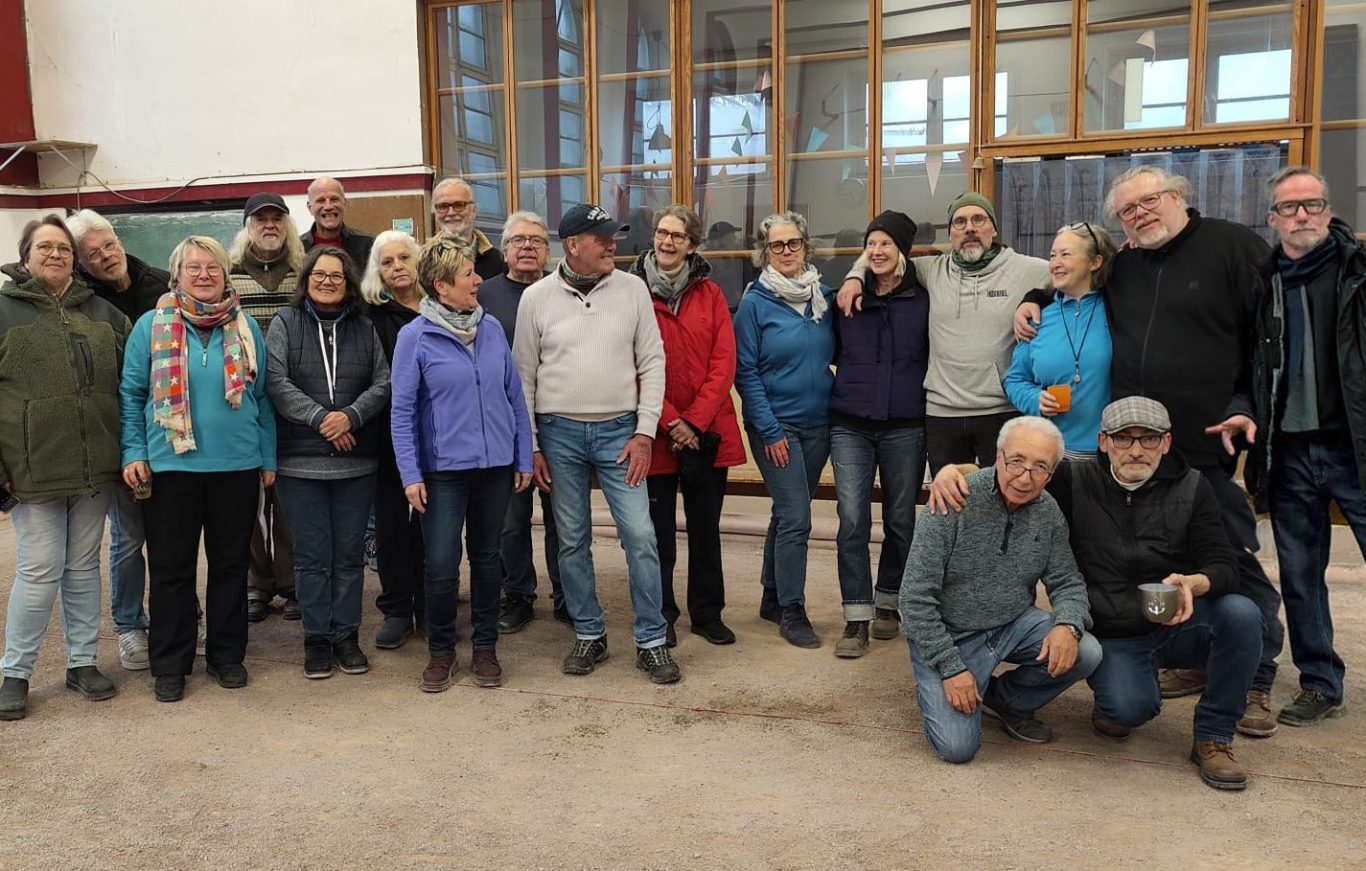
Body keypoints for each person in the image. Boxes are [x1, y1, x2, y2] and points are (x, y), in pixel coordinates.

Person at [1015, 166, 1284, 738]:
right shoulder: (1127, 268)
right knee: (1138, 558)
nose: (1139, 214)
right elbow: (1075, 283)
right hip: (1129, 443)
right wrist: (1036, 295)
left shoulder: (1233, 247)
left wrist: (1248, 403)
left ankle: (1256, 676)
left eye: (1149, 201)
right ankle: (1181, 658)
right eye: (1127, 210)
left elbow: (1267, 336)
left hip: (1204, 444)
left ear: (1179, 197)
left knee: (1231, 564)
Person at [930, 397, 1261, 790]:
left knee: (1242, 614)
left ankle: (1214, 735)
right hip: (1116, 631)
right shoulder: (1074, 480)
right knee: (1127, 709)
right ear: (1103, 441)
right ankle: (1117, 698)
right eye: (1123, 439)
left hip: (1176, 622)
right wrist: (954, 470)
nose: (1136, 450)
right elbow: (1011, 475)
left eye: (1149, 439)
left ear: (1167, 443)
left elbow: (1225, 566)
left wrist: (1194, 583)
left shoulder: (1192, 486)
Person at [1212, 166, 1366, 728]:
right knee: (1300, 576)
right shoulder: (1263, 285)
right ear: (1273, 218)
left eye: (1313, 205)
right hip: (1291, 454)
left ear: (1328, 211)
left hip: (1356, 448)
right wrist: (1242, 408)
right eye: (1290, 207)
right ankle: (1321, 682)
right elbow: (1248, 367)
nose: (1303, 215)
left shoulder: (1358, 273)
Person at [512, 203, 679, 684]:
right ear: (574, 246)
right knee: (571, 539)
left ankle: (651, 640)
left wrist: (645, 431)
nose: (612, 246)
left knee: (641, 536)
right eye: (602, 238)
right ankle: (589, 632)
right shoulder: (537, 298)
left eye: (613, 238)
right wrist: (533, 444)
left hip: (621, 433)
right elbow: (523, 376)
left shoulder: (633, 291)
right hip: (558, 433)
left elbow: (653, 362)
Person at [119, 235, 276, 703]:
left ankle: (227, 657)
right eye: (194, 267)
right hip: (170, 466)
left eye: (213, 267)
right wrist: (134, 452)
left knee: (230, 566)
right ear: (177, 275)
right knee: (171, 568)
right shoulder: (150, 326)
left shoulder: (246, 328)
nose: (204, 275)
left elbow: (262, 397)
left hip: (237, 465)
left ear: (226, 275)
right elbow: (131, 397)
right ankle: (171, 663)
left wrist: (268, 458)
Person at [901, 416, 1100, 763]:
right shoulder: (954, 498)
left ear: (1051, 474)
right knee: (957, 748)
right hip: (952, 635)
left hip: (1013, 624)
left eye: (1040, 468)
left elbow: (1067, 580)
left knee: (1087, 651)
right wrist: (951, 668)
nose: (1025, 477)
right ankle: (937, 682)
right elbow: (915, 598)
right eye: (1017, 461)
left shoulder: (1048, 513)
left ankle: (1005, 698)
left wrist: (1068, 626)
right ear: (998, 455)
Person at [0, 216, 130, 721]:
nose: (55, 255)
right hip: (30, 467)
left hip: (96, 464)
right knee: (38, 568)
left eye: (63, 249)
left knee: (82, 567)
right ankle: (16, 672)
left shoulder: (101, 313)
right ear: (25, 255)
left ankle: (82, 663)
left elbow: (130, 383)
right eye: (44, 247)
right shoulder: (4, 310)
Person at [392, 237, 532, 690]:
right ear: (441, 285)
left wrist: (522, 453)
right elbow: (402, 412)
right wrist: (410, 473)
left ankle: (486, 649)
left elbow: (514, 395)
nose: (478, 281)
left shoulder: (489, 329)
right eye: (469, 274)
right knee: (441, 563)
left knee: (489, 559)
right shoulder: (414, 337)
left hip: (494, 467)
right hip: (443, 473)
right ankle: (441, 652)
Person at [837, 193, 1049, 473]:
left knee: (1001, 501)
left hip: (1002, 410)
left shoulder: (1027, 269)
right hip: (942, 412)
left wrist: (1035, 297)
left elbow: (1068, 277)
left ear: (994, 228)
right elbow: (883, 257)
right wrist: (854, 276)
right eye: (959, 222)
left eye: (979, 219)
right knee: (948, 504)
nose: (969, 228)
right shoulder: (931, 270)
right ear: (950, 233)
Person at [267, 246, 391, 680]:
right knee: (312, 557)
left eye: (337, 276)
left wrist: (350, 417)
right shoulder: (285, 323)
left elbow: (383, 380)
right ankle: (317, 639)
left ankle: (347, 636)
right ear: (306, 279)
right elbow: (276, 381)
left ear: (349, 283)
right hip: (300, 463)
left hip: (355, 464)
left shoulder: (364, 326)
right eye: (319, 274)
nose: (327, 282)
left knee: (349, 556)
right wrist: (322, 419)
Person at [628, 204, 744, 648]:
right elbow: (633, 365)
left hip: (706, 432)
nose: (667, 241)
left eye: (678, 235)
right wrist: (670, 419)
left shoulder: (711, 295)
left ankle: (707, 613)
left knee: (704, 529)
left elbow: (723, 361)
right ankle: (662, 614)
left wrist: (693, 421)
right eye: (661, 233)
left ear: (693, 245)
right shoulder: (633, 292)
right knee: (656, 535)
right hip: (654, 433)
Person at [67, 208, 172, 671]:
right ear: (81, 264)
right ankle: (131, 625)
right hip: (123, 434)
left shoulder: (163, 283)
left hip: (174, 436)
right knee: (128, 539)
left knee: (176, 536)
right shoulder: (80, 305)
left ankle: (180, 616)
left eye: (108, 245)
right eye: (93, 254)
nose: (106, 256)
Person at [828, 210, 928, 658]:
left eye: (886, 243)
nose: (877, 250)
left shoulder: (924, 301)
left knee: (901, 521)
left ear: (902, 250)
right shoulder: (846, 298)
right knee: (852, 520)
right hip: (850, 423)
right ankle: (856, 618)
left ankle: (890, 603)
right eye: (872, 243)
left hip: (906, 424)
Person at [733, 211, 836, 649]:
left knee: (786, 511)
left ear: (806, 245)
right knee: (797, 516)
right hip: (776, 426)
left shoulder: (824, 298)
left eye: (794, 243)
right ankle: (793, 609)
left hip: (821, 424)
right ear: (765, 252)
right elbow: (746, 372)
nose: (787, 251)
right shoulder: (755, 304)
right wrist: (770, 430)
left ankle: (772, 595)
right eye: (777, 245)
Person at [480, 211, 565, 633]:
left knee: (563, 518)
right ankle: (518, 594)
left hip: (558, 422)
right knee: (511, 520)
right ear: (504, 250)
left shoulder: (562, 290)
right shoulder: (484, 295)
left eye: (536, 240)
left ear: (548, 251)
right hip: (501, 426)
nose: (527, 246)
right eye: (518, 240)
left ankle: (567, 592)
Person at [229, 192, 304, 622]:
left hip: (294, 402)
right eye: (261, 219)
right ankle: (258, 585)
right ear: (248, 226)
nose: (270, 225)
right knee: (249, 500)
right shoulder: (228, 272)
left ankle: (291, 582)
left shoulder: (302, 270)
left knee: (289, 501)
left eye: (277, 218)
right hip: (242, 401)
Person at [360, 231, 427, 650]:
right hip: (386, 434)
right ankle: (397, 609)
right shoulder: (370, 316)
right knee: (389, 529)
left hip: (437, 435)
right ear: (377, 271)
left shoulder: (440, 309)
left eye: (404, 257)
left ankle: (430, 604)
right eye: (387, 262)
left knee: (431, 527)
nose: (397, 266)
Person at [1003, 222, 1117, 458]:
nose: (1055, 263)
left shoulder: (1118, 311)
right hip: (1049, 453)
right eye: (1053, 255)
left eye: (1066, 254)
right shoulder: (1036, 316)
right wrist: (1035, 399)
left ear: (1095, 262)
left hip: (1110, 454)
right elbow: (1015, 380)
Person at [431, 176, 506, 279]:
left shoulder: (498, 262)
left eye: (459, 205)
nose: (451, 213)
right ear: (434, 212)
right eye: (443, 206)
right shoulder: (425, 260)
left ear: (474, 210)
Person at [301, 176, 375, 268]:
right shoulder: (297, 248)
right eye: (321, 201)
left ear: (344, 203)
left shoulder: (369, 245)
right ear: (310, 208)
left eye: (334, 199)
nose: (328, 206)